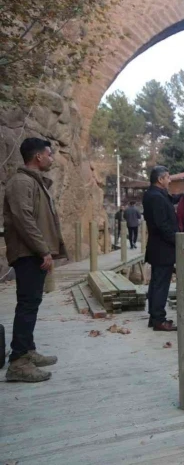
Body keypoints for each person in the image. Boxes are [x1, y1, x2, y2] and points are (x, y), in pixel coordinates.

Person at [3, 137, 66, 382]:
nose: (52, 158)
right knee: (27, 305)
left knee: (31, 303)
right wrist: (43, 250)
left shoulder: (33, 181)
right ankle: (18, 363)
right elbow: (23, 219)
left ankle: (27, 350)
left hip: (34, 252)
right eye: (49, 154)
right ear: (38, 156)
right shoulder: (21, 182)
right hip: (29, 254)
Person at [142, 166, 177, 331]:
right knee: (160, 284)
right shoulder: (155, 197)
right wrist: (177, 240)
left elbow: (171, 199)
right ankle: (158, 320)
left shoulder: (155, 194)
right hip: (162, 248)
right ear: (160, 179)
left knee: (157, 283)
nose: (170, 180)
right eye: (168, 177)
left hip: (159, 247)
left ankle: (154, 317)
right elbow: (162, 224)